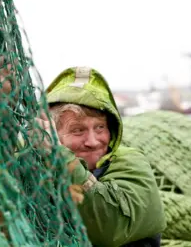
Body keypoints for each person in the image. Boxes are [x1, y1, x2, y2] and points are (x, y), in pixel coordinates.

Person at [38, 67, 166, 246]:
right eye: (78, 130)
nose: (93, 141)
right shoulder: (34, 164)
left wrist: (59, 156)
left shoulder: (130, 162)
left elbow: (109, 227)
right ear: (49, 131)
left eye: (100, 127)